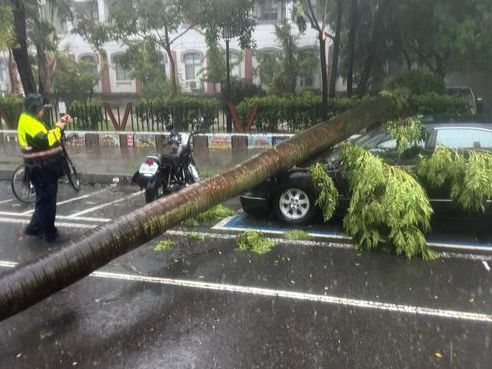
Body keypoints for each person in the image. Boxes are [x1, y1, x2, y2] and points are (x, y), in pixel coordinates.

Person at [17, 94, 73, 243]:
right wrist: (58, 129)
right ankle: (50, 234)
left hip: (42, 167)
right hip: (41, 168)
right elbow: (45, 140)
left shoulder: (30, 120)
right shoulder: (28, 122)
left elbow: (45, 133)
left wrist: (59, 124)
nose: (42, 111)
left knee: (43, 200)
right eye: (41, 108)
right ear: (34, 109)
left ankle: (35, 228)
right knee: (48, 201)